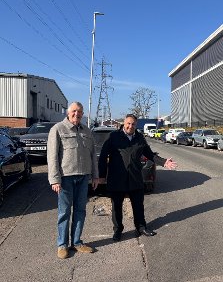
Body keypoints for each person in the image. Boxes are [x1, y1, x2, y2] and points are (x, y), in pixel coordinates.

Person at [98, 114, 177, 241]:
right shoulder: (113, 136)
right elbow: (102, 156)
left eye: (133, 124)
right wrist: (101, 176)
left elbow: (150, 154)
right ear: (124, 123)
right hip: (117, 178)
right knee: (117, 207)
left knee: (138, 205)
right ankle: (118, 230)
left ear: (136, 125)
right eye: (128, 123)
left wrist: (164, 162)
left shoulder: (139, 137)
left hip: (135, 178)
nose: (130, 126)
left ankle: (141, 227)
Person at [47, 102, 99, 259]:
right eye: (74, 111)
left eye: (80, 111)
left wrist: (95, 175)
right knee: (64, 212)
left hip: (83, 177)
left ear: (83, 114)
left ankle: (77, 242)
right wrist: (54, 180)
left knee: (80, 211)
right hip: (65, 178)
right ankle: (62, 245)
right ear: (68, 112)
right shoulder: (58, 129)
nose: (77, 114)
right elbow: (52, 156)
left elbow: (93, 156)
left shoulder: (87, 131)